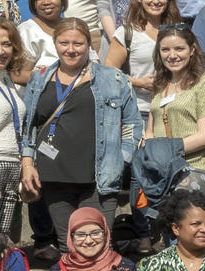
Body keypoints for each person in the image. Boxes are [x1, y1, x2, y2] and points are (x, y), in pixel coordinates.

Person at [18, 19, 139, 244]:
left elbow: (132, 123)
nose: (71, 49)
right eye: (64, 42)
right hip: (53, 174)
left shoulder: (113, 79)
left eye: (78, 43)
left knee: (95, 244)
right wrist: (27, 164)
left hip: (99, 176)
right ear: (55, 43)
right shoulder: (39, 78)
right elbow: (28, 126)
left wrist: (121, 158)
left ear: (89, 46)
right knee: (68, 245)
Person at [145, 22, 205, 205]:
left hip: (194, 173)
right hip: (161, 177)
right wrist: (150, 152)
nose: (172, 55)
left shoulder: (204, 84)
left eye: (179, 48)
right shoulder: (160, 83)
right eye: (165, 49)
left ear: (192, 50)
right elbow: (151, 128)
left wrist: (165, 151)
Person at [106, 0, 179, 99]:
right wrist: (138, 83)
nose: (156, 1)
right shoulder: (127, 33)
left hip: (173, 107)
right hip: (138, 109)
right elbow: (108, 72)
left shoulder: (177, 31)